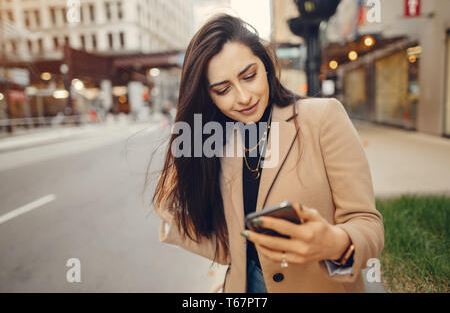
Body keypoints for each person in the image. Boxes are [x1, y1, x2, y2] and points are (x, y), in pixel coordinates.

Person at [151, 14, 384, 293]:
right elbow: (231, 250)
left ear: (266, 66)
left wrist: (334, 242)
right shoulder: (220, 140)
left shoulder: (323, 118)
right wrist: (170, 208)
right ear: (208, 96)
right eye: (223, 89)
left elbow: (368, 224)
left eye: (249, 76)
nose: (243, 97)